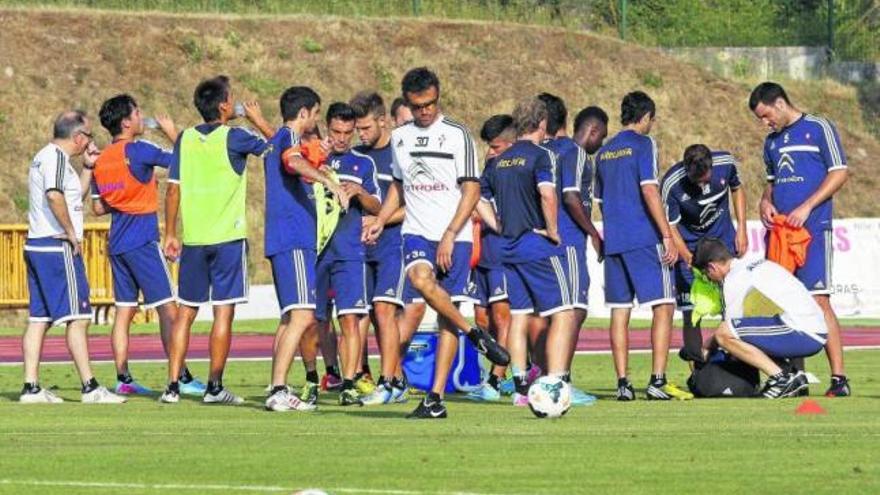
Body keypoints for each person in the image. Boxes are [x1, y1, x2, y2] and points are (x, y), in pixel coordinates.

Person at [363, 67, 509, 419]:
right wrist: (382, 219)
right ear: (409, 104)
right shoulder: (400, 138)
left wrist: (450, 233)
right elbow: (398, 184)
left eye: (430, 104)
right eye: (417, 106)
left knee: (445, 320)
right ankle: (474, 332)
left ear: (437, 96)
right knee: (419, 281)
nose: (425, 111)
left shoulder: (458, 134)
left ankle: (435, 398)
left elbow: (472, 189)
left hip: (454, 236)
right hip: (415, 230)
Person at [160, 75, 273, 405]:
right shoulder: (236, 137)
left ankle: (171, 386)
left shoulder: (185, 139)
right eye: (232, 98)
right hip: (227, 238)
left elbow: (173, 188)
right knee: (223, 314)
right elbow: (279, 146)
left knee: (186, 313)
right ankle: (214, 386)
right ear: (225, 105)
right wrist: (257, 119)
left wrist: (170, 232)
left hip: (194, 239)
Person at [91, 94, 202, 396]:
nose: (143, 118)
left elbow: (98, 209)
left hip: (117, 242)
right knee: (170, 310)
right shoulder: (140, 150)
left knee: (124, 311)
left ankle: (123, 378)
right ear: (126, 121)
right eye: (138, 113)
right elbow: (185, 160)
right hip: (143, 238)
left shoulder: (100, 160)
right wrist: (171, 132)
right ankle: (180, 377)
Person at [749, 81, 850, 397]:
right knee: (785, 304)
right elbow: (771, 181)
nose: (766, 124)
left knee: (819, 301)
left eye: (766, 116)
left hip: (813, 230)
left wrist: (806, 207)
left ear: (779, 103)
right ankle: (797, 378)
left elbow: (839, 172)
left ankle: (839, 379)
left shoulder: (819, 127)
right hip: (781, 236)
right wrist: (765, 201)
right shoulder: (771, 143)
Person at [20, 110, 125, 404]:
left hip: (37, 245)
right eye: (88, 136)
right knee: (78, 317)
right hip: (56, 246)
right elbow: (55, 196)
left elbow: (72, 195)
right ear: (78, 137)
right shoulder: (54, 158)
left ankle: (31, 387)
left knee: (39, 319)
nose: (90, 142)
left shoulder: (47, 157)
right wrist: (70, 232)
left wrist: (89, 168)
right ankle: (90, 386)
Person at [594, 91, 693, 401]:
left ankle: (623, 383)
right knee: (663, 305)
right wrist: (666, 234)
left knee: (620, 311)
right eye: (652, 119)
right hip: (643, 238)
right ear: (646, 116)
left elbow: (599, 201)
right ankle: (657, 380)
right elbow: (649, 190)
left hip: (615, 240)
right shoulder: (644, 144)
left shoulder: (604, 152)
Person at [477, 97, 575, 407]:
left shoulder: (498, 161)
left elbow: (477, 198)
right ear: (543, 123)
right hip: (535, 246)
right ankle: (558, 382)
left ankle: (520, 389)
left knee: (518, 315)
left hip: (508, 248)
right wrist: (553, 231)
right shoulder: (541, 155)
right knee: (564, 312)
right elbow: (547, 195)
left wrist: (499, 225)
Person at [262, 86, 344, 412]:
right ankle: (279, 389)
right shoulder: (289, 140)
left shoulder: (277, 140)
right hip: (293, 238)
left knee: (289, 318)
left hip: (282, 238)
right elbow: (294, 161)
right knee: (303, 315)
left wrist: (319, 157)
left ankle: (276, 387)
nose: (315, 120)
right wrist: (329, 182)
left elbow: (299, 159)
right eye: (315, 114)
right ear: (303, 114)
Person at [692, 238, 826, 398]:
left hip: (803, 331)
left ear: (712, 267)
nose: (709, 279)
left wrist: (706, 348)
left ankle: (781, 379)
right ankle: (792, 375)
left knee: (724, 334)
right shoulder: (755, 264)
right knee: (747, 333)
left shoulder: (733, 279)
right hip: (814, 329)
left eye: (707, 274)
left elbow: (728, 332)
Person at [314, 102, 382, 406]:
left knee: (351, 319)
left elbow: (378, 208)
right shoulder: (313, 157)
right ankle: (324, 374)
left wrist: (360, 193)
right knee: (315, 318)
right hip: (316, 250)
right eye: (336, 131)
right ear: (327, 128)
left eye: (347, 132)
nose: (341, 138)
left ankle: (352, 381)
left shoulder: (363, 163)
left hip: (349, 251)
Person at [661, 144, 747, 361]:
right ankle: (698, 372)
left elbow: (737, 189)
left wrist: (742, 229)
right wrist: (687, 257)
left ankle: (737, 363)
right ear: (686, 169)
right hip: (689, 246)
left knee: (733, 304)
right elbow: (671, 226)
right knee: (691, 312)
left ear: (711, 166)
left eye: (705, 179)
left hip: (722, 243)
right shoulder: (672, 185)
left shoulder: (726, 164)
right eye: (695, 180)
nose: (701, 185)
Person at [350, 91, 409, 405]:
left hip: (394, 244)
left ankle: (388, 383)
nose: (361, 134)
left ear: (383, 121)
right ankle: (388, 379)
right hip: (361, 248)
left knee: (385, 310)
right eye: (358, 129)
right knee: (367, 314)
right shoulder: (357, 157)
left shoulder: (401, 155)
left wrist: (380, 221)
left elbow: (413, 205)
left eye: (366, 127)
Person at [553, 105, 608, 405]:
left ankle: (540, 375)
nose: (601, 145)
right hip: (569, 242)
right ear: (593, 131)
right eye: (602, 137)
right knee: (573, 310)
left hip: (546, 242)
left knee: (550, 314)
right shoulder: (575, 153)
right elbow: (571, 197)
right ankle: (561, 381)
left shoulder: (549, 151)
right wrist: (594, 233)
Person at [465, 114, 516, 402]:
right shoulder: (486, 171)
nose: (490, 153)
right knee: (481, 318)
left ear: (510, 145)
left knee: (502, 315)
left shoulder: (516, 172)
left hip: (502, 253)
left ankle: (497, 379)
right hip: (480, 254)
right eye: (489, 147)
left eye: (495, 147)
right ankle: (498, 373)